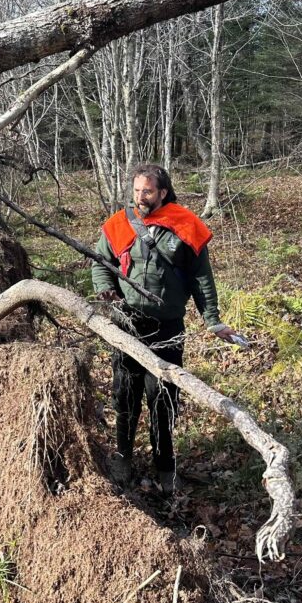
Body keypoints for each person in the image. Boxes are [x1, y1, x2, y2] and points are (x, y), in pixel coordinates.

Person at [92, 163, 237, 494]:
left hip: (168, 328)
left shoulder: (185, 225)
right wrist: (106, 288)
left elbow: (202, 279)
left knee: (163, 396)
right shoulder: (118, 224)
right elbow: (101, 262)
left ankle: (165, 467)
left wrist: (212, 320)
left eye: (147, 191)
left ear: (163, 192)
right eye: (137, 191)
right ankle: (122, 458)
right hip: (127, 324)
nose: (140, 197)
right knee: (125, 394)